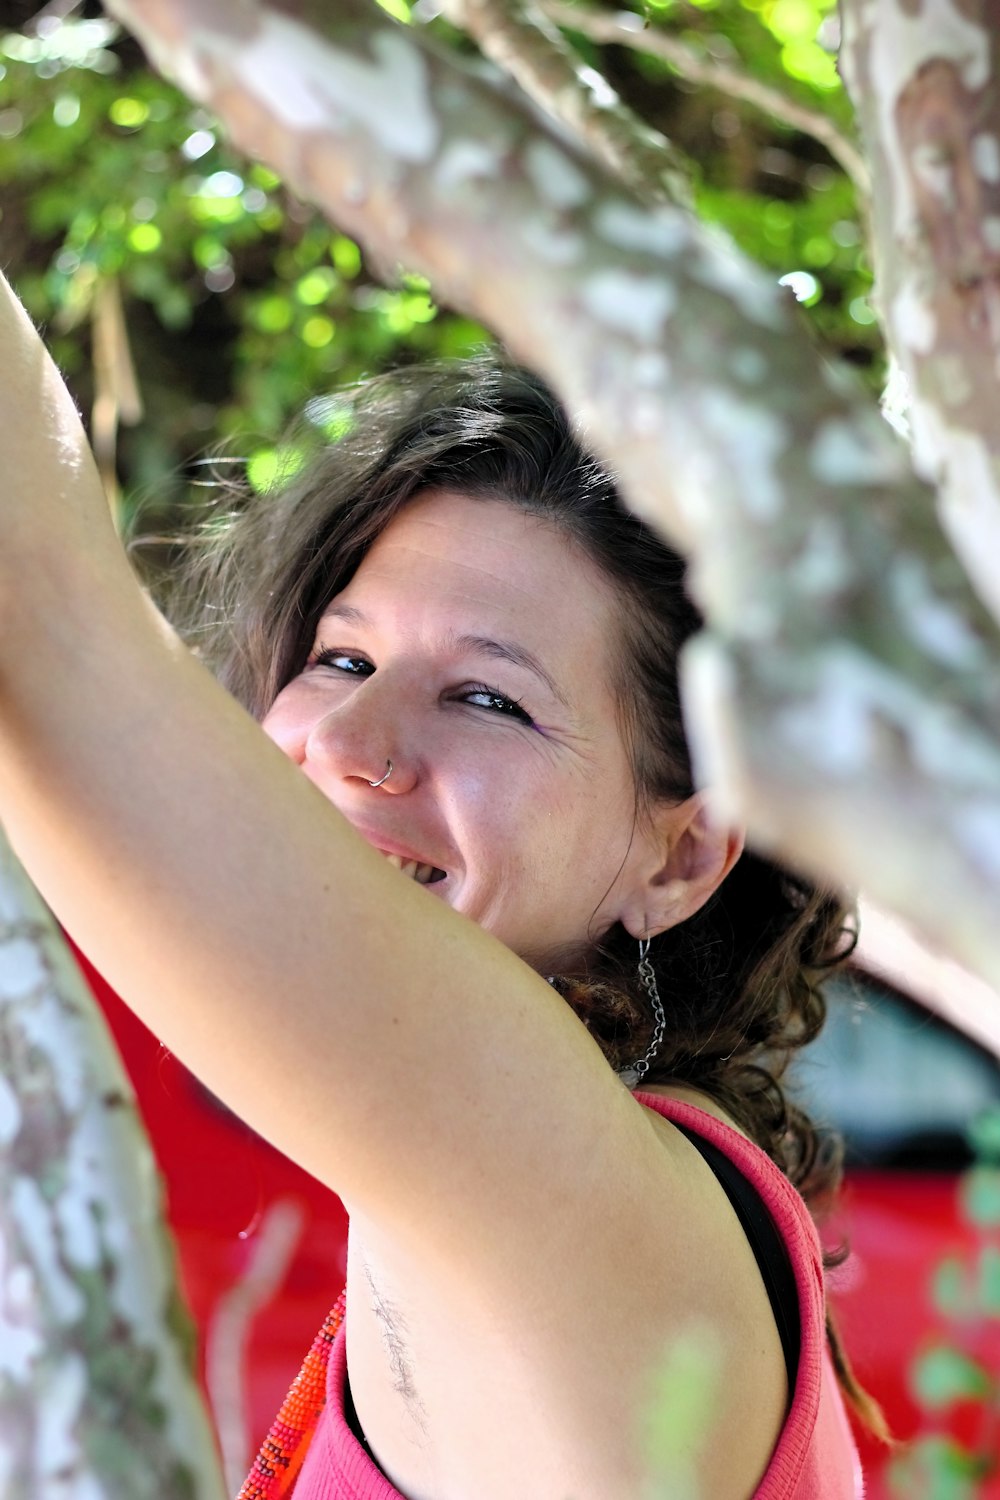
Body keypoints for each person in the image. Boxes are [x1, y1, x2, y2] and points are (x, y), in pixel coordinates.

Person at [0, 270, 869, 1499]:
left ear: (677, 857)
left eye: (485, 698)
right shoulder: (541, 1189)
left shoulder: (563, 1193)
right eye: (342, 655)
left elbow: (40, 625)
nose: (349, 742)